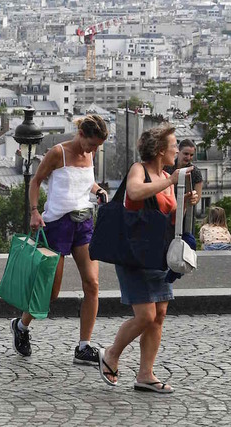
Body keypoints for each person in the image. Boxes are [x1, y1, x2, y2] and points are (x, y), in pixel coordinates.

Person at [98, 125, 199, 394]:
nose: (177, 149)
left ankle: (145, 374)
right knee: (145, 316)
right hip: (134, 254)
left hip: (156, 254)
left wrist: (187, 203)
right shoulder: (139, 170)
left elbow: (168, 220)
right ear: (160, 150)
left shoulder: (166, 175)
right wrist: (170, 182)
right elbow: (133, 193)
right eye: (174, 145)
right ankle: (111, 353)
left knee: (159, 315)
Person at [11, 114, 109, 363]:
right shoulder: (58, 153)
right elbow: (36, 182)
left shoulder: (91, 153)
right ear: (82, 135)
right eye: (92, 144)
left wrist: (98, 191)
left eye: (97, 146)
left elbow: (88, 182)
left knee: (93, 284)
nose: (94, 149)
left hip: (84, 222)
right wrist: (34, 212)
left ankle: (83, 346)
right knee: (50, 293)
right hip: (57, 225)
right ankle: (21, 326)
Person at [164, 139, 203, 231]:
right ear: (178, 151)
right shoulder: (166, 167)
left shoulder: (195, 172)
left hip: (186, 216)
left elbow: (197, 198)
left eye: (191, 155)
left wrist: (193, 198)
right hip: (167, 212)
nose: (188, 157)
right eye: (186, 154)